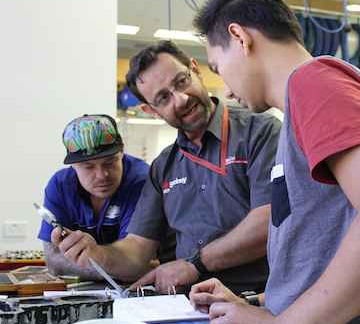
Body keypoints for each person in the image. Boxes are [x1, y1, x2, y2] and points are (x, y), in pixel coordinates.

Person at [188, 0, 360, 324]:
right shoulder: (299, 104)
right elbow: (325, 244)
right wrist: (259, 303)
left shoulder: (314, 82)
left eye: (218, 68)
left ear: (240, 38)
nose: (227, 90)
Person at [51, 40, 282, 295]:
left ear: (195, 69)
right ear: (151, 110)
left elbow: (270, 222)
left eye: (181, 81)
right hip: (187, 306)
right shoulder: (163, 167)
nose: (181, 99)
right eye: (163, 98)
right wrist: (98, 254)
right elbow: (137, 247)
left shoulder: (260, 132)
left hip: (258, 299)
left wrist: (193, 264)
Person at [38, 114, 171, 282]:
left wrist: (84, 265)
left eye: (109, 162)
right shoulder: (59, 185)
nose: (102, 175)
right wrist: (112, 273)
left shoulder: (144, 181)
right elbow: (53, 261)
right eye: (88, 167)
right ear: (73, 165)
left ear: (122, 151)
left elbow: (137, 257)